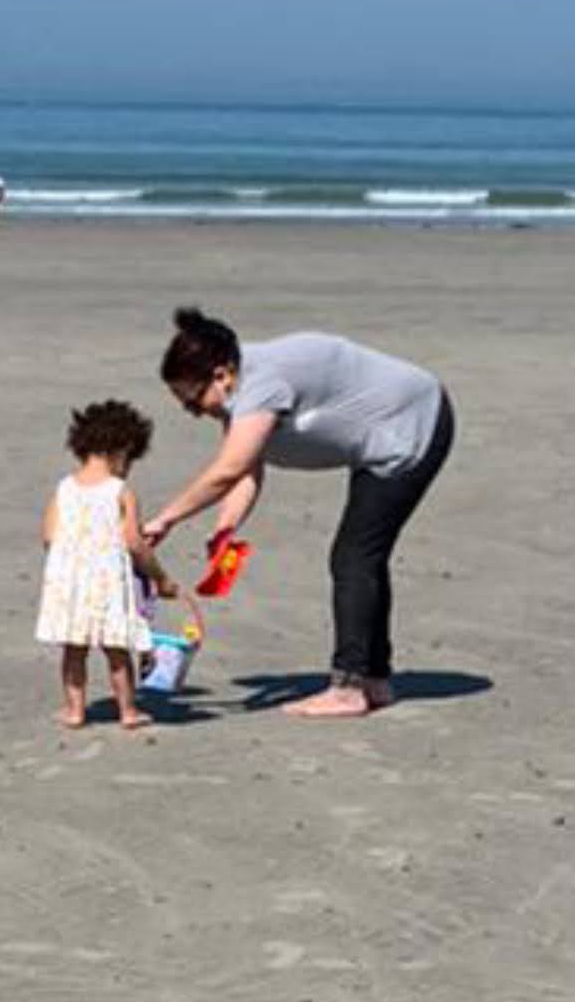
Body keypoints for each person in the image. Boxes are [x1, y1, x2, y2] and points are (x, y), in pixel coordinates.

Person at [145, 308, 455, 718]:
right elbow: (247, 469)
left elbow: (228, 469)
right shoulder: (241, 384)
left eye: (193, 402)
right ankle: (374, 680)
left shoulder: (261, 384)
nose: (196, 412)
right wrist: (225, 528)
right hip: (382, 441)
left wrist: (165, 518)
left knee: (354, 557)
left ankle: (348, 688)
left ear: (221, 375)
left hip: (414, 426)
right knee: (363, 556)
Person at [36, 399, 179, 730]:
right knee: (117, 651)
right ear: (123, 449)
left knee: (74, 649)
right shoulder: (120, 491)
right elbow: (134, 544)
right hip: (108, 583)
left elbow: (49, 537)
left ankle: (74, 711)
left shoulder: (64, 488)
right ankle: (128, 711)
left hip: (71, 583)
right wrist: (160, 579)